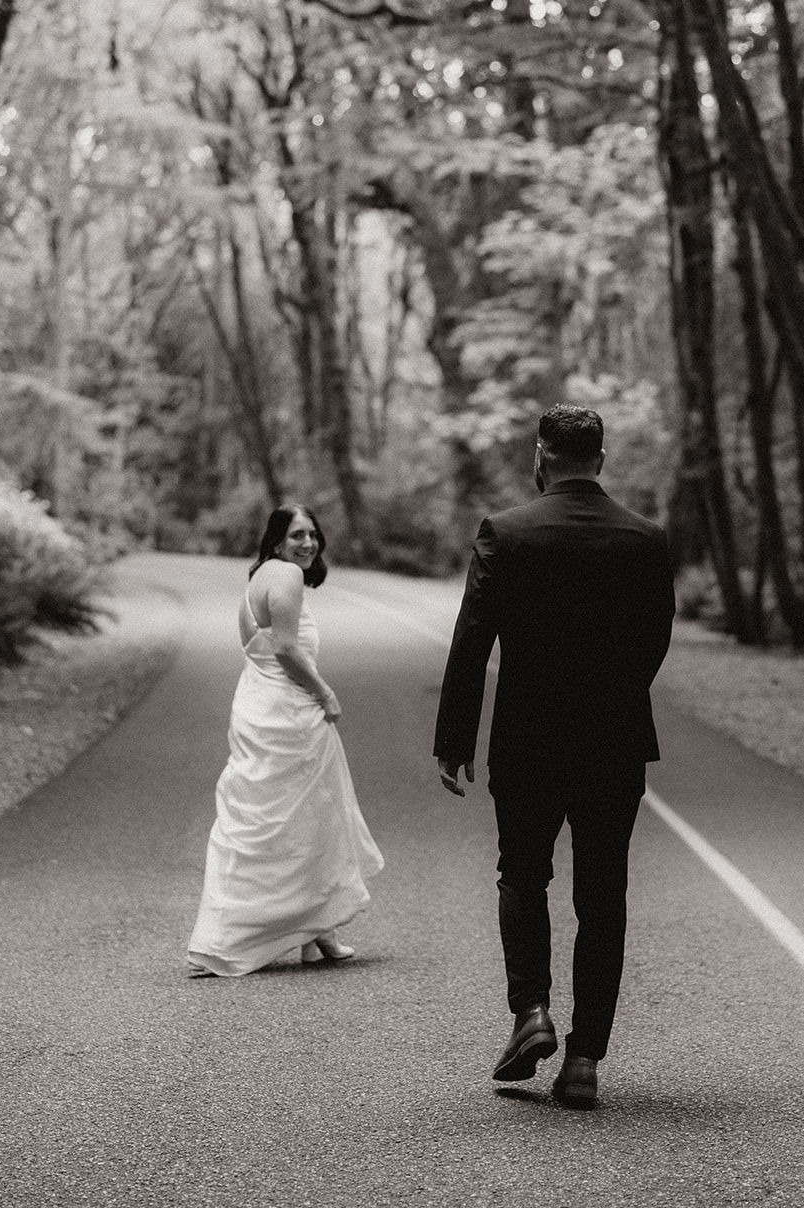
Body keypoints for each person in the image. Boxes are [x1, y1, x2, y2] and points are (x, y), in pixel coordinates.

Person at [434, 404, 676, 1108]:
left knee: (522, 875)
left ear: (540, 457)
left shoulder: (506, 533)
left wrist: (455, 738)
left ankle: (531, 1012)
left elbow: (472, 637)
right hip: (613, 741)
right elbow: (654, 637)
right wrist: (617, 696)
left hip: (527, 739)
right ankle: (583, 1063)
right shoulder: (644, 539)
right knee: (603, 898)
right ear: (600, 459)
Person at [187, 504, 383, 978]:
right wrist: (325, 692)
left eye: (313, 534)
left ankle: (317, 932)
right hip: (289, 710)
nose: (308, 543)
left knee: (288, 818)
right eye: (297, 534)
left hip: (257, 704)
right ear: (276, 541)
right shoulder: (287, 577)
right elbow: (286, 648)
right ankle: (245, 935)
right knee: (304, 816)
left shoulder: (259, 579)